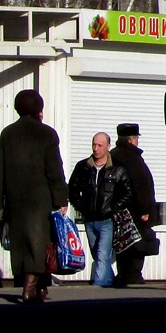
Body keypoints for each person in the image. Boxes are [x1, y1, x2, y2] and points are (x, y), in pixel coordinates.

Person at [0, 89, 69, 304]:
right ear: (39, 110)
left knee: (21, 244)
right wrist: (61, 198)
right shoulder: (47, 134)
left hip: (15, 200)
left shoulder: (8, 134)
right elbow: (54, 170)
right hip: (40, 199)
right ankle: (29, 288)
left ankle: (39, 287)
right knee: (40, 243)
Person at [67, 131, 134, 287]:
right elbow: (72, 188)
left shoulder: (118, 168)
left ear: (108, 147)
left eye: (100, 145)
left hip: (107, 220)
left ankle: (98, 286)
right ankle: (110, 280)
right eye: (94, 145)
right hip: (89, 219)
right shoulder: (83, 167)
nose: (96, 149)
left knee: (103, 255)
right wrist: (80, 205)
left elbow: (129, 191)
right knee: (97, 254)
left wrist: (113, 207)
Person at [110, 122, 157, 286]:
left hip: (116, 209)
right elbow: (141, 185)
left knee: (122, 242)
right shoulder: (133, 158)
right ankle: (133, 275)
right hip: (134, 210)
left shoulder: (112, 155)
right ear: (132, 140)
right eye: (136, 138)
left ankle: (123, 274)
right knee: (139, 243)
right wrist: (144, 209)